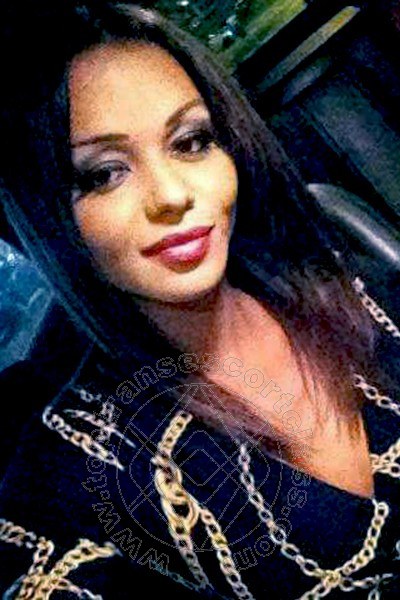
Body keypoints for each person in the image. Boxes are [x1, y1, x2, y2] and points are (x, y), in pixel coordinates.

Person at [0, 1, 399, 598]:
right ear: (42, 213)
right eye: (103, 174)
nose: (172, 195)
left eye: (191, 142)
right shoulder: (73, 472)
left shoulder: (342, 280)